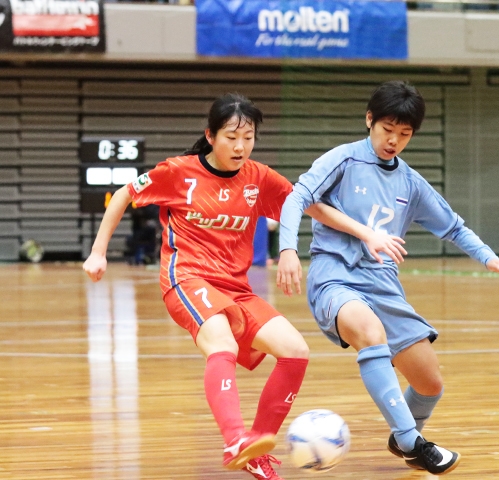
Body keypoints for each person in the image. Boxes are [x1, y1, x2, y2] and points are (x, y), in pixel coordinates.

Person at [82, 93, 402, 480]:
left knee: (295, 351)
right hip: (188, 278)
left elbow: (311, 205)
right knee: (223, 344)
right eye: (232, 137)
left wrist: (365, 232)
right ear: (211, 136)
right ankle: (234, 438)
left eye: (248, 138)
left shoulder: (259, 178)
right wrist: (99, 253)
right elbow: (123, 195)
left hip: (237, 287)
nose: (240, 146)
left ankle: (256, 446)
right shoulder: (178, 172)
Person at [276, 80, 499, 476]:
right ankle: (412, 441)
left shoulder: (409, 182)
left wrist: (489, 258)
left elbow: (454, 227)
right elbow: (297, 197)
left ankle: (403, 439)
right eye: (387, 130)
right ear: (369, 120)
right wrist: (287, 249)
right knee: (370, 333)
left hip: (384, 286)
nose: (394, 141)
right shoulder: (343, 160)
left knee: (429, 384)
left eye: (404, 134)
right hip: (335, 277)